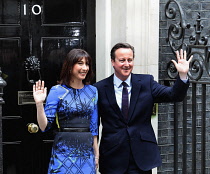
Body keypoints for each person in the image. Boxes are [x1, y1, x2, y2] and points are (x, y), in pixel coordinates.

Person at [94, 42, 192, 174]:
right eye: (122, 60)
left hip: (141, 157)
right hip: (112, 157)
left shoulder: (147, 82)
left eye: (130, 60)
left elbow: (174, 95)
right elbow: (94, 125)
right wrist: (95, 153)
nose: (127, 64)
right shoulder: (99, 88)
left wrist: (182, 76)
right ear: (113, 62)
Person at [33, 49, 99, 174]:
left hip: (86, 152)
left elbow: (93, 126)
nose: (85, 68)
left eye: (87, 64)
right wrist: (39, 104)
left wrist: (96, 154)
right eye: (80, 63)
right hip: (63, 152)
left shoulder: (93, 91)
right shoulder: (57, 91)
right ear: (69, 66)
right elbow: (44, 126)